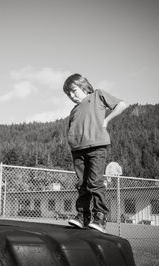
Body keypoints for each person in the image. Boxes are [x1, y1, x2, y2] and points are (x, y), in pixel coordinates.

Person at [63, 73, 128, 233]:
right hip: (78, 150)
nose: (72, 96)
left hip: (96, 147)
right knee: (82, 184)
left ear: (83, 86)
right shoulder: (74, 110)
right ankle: (82, 217)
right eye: (68, 94)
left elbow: (122, 104)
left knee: (95, 182)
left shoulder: (98, 95)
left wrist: (106, 120)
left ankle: (99, 217)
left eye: (74, 91)